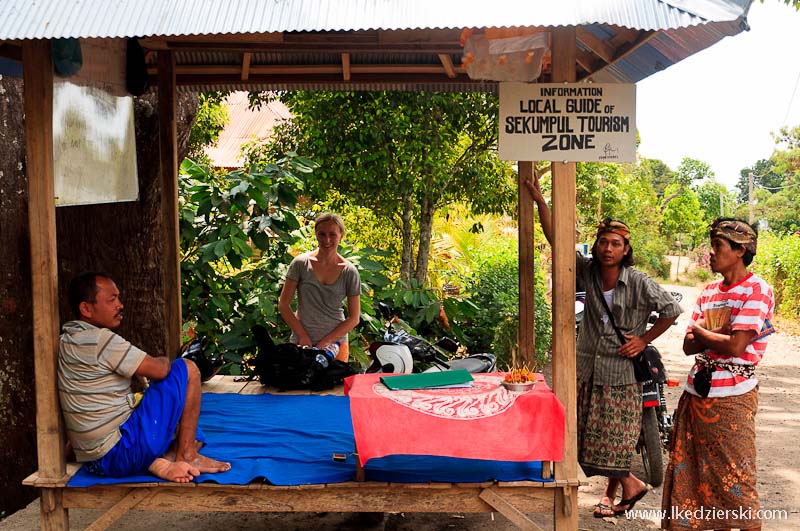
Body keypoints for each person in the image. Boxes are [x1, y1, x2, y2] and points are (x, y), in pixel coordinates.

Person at [526, 175, 681, 518]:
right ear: (596, 247)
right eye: (602, 243)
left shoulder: (639, 282)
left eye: (615, 244)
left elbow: (671, 310)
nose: (607, 249)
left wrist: (644, 339)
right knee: (578, 439)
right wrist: (540, 200)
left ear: (625, 250)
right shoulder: (589, 273)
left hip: (621, 374)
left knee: (611, 442)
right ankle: (630, 484)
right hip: (586, 370)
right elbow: (559, 242)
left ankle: (626, 486)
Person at [58, 272, 231, 482]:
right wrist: (166, 360)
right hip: (119, 453)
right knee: (188, 368)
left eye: (118, 298)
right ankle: (186, 456)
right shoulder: (99, 340)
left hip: (94, 461)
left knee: (189, 430)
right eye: (112, 300)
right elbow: (160, 370)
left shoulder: (67, 340)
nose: (120, 305)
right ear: (86, 309)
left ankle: (159, 461)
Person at [661, 218, 774, 531]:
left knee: (736, 481)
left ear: (740, 250)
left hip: (732, 398)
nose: (710, 253)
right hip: (697, 395)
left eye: (718, 246)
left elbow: (737, 346)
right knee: (693, 477)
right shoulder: (709, 290)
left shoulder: (757, 289)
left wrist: (704, 332)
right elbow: (687, 345)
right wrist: (715, 332)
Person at [279, 213, 361, 362]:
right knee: (297, 384)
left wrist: (326, 342)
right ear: (316, 235)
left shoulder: (349, 271)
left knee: (333, 385)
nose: (327, 240)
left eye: (332, 235)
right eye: (322, 234)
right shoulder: (300, 264)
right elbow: (284, 305)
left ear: (341, 236)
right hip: (302, 343)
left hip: (336, 346)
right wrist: (302, 336)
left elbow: (354, 318)